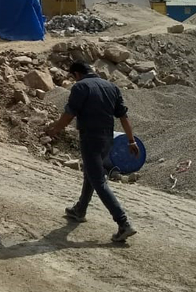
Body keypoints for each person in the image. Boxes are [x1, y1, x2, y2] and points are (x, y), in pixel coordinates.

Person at [45, 60, 138, 243]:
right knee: (90, 173)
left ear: (77, 74)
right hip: (108, 140)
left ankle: (123, 223)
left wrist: (55, 130)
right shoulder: (112, 87)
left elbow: (69, 113)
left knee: (98, 181)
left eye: (73, 77)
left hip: (91, 139)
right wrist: (131, 140)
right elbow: (123, 116)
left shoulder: (80, 87)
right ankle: (80, 209)